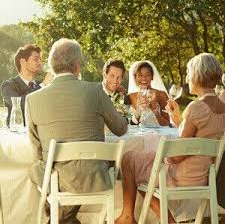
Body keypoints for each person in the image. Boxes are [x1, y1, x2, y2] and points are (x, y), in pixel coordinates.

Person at [26, 38, 128, 224]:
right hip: (95, 177)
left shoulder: (32, 100)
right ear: (77, 65)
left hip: (58, 180)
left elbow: (37, 150)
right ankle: (68, 219)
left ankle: (61, 219)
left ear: (52, 66)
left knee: (35, 169)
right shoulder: (96, 91)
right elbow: (121, 129)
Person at [115, 53, 225, 224]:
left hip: (181, 175)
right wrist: (178, 120)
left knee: (129, 159)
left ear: (198, 75)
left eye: (189, 73)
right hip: (205, 174)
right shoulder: (222, 107)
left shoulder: (196, 107)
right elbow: (200, 135)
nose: (187, 78)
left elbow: (176, 156)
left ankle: (128, 216)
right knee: (142, 165)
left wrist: (163, 157)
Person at [0, 44, 52, 125]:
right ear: (23, 62)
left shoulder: (43, 85)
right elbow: (22, 104)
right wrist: (44, 85)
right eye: (36, 59)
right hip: (17, 136)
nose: (40, 62)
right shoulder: (8, 86)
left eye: (41, 60)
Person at [127, 61, 170, 126]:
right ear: (135, 77)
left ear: (152, 77)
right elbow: (129, 124)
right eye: (140, 75)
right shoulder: (130, 96)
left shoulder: (161, 94)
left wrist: (156, 113)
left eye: (147, 75)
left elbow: (167, 124)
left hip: (158, 134)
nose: (144, 78)